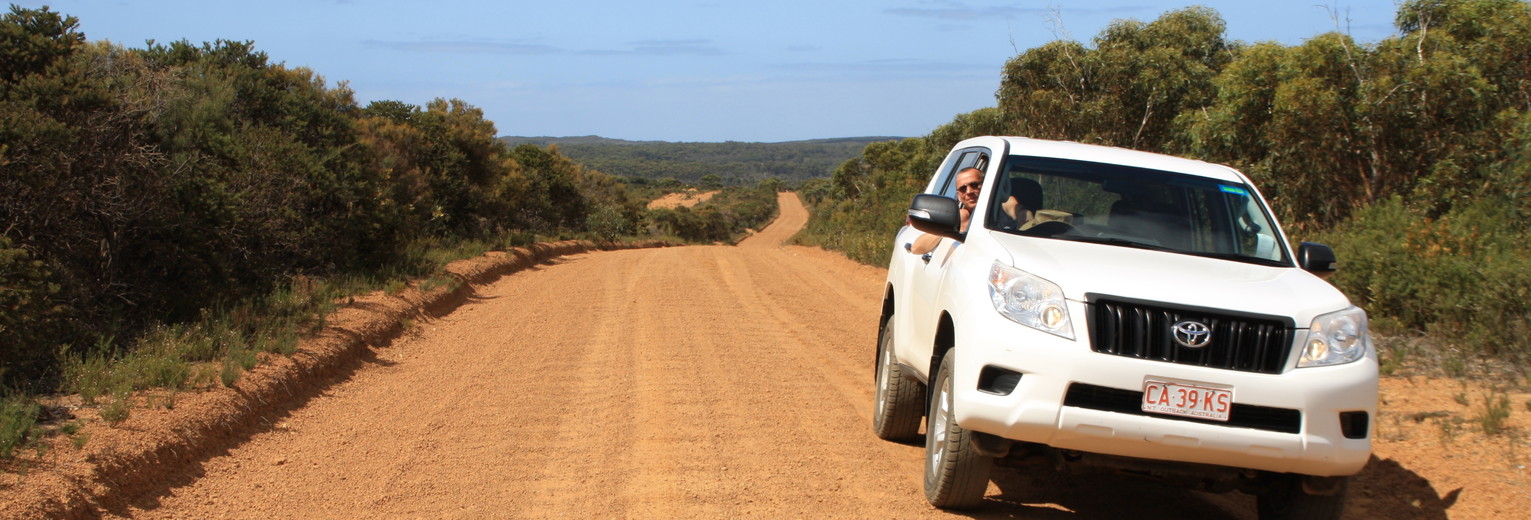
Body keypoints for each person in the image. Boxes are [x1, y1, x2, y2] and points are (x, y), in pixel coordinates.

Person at [910, 167, 983, 255]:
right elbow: (916, 248)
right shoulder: (959, 217)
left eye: (974, 185)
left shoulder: (1002, 211)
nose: (969, 191)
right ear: (958, 196)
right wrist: (950, 228)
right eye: (962, 189)